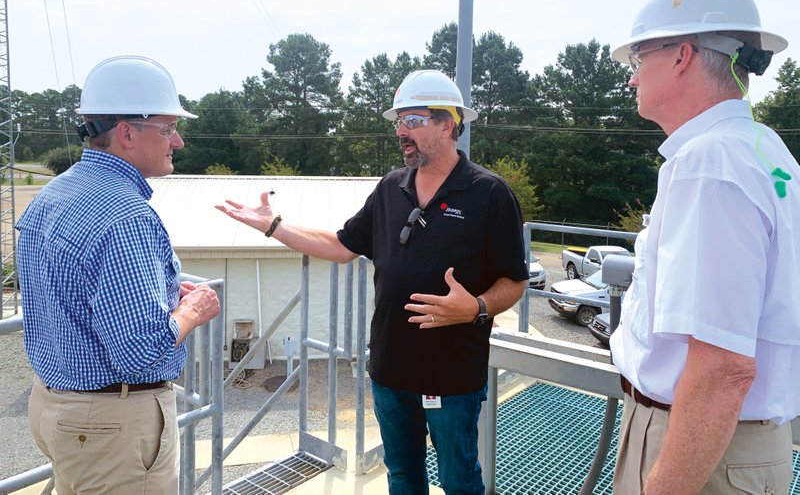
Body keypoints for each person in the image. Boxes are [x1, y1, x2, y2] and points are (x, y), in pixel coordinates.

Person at [217, 69, 528, 494]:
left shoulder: (489, 194)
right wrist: (275, 227)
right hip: (390, 369)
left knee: (459, 480)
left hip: (452, 375)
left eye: (413, 121)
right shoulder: (391, 188)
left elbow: (515, 280)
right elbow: (343, 245)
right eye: (399, 121)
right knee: (402, 474)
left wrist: (474, 308)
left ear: (448, 124)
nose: (402, 131)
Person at [609, 0, 800, 494]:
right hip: (733, 445)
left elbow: (722, 368)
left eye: (638, 57)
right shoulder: (765, 151)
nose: (631, 78)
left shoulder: (710, 164)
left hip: (699, 449)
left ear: (681, 55)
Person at [16, 55, 221, 494]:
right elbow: (142, 352)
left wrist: (161, 294)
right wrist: (191, 310)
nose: (179, 141)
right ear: (127, 132)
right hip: (112, 427)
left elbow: (71, 298)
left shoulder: (54, 194)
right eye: (168, 128)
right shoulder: (125, 216)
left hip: (56, 411)